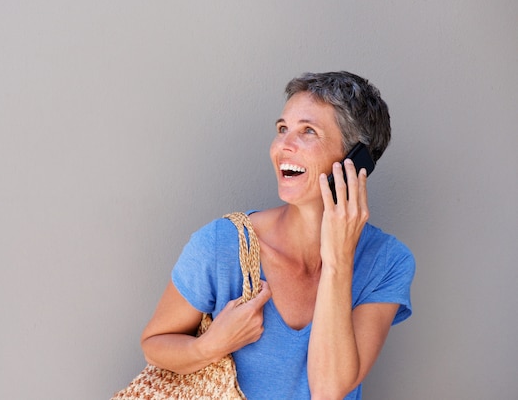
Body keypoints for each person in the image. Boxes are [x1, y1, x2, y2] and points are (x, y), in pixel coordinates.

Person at [140, 71, 415, 399]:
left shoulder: (387, 262)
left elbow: (329, 390)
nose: (283, 146)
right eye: (282, 129)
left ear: (356, 161)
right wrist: (210, 346)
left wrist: (338, 260)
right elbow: (154, 345)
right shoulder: (221, 244)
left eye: (308, 131)